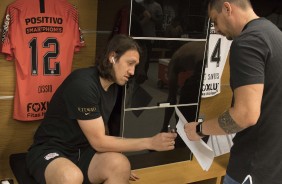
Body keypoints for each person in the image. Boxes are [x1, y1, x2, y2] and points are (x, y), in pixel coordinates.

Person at [26, 34, 177, 184]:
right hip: (52, 149)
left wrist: (116, 165)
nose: (132, 72)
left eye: (135, 66)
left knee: (121, 165)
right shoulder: (83, 85)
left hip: (83, 151)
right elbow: (98, 141)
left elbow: (101, 128)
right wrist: (150, 143)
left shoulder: (114, 86)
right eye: (129, 63)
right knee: (71, 177)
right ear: (112, 57)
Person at [184, 0, 282, 184]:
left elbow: (245, 115)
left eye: (215, 20)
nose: (216, 28)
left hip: (251, 169)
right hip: (273, 165)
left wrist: (199, 129)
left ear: (227, 8)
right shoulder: (275, 34)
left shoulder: (247, 42)